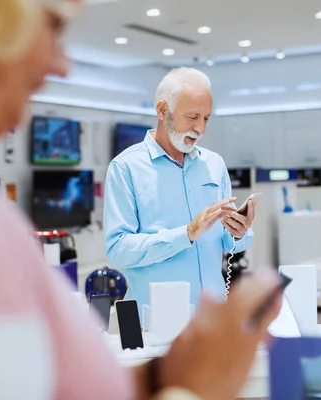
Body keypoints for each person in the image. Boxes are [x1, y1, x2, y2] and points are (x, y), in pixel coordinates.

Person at [0, 1, 281, 399]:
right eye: (53, 27)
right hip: (154, 324)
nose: (60, 64)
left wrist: (168, 376)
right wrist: (190, 388)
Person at [104, 68, 256, 306]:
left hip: (211, 316)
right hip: (157, 321)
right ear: (163, 111)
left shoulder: (214, 164)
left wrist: (240, 230)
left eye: (206, 118)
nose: (201, 129)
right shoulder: (125, 168)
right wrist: (186, 234)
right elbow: (117, 250)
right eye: (192, 117)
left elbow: (230, 242)